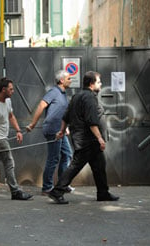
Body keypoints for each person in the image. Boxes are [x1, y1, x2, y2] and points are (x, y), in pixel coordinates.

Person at [48, 71, 119, 204]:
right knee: (75, 166)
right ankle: (57, 191)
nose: (101, 84)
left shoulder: (77, 96)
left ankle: (103, 193)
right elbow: (91, 121)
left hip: (85, 140)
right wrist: (100, 138)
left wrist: (62, 131)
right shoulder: (89, 98)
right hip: (88, 140)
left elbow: (66, 116)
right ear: (91, 84)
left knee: (100, 166)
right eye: (98, 82)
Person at [26, 70, 74, 195]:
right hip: (53, 130)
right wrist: (33, 124)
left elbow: (61, 113)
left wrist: (65, 128)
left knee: (67, 155)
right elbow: (41, 106)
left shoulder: (63, 94)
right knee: (54, 158)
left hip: (60, 130)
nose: (71, 80)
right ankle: (47, 187)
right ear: (61, 80)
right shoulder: (53, 92)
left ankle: (62, 184)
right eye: (69, 78)